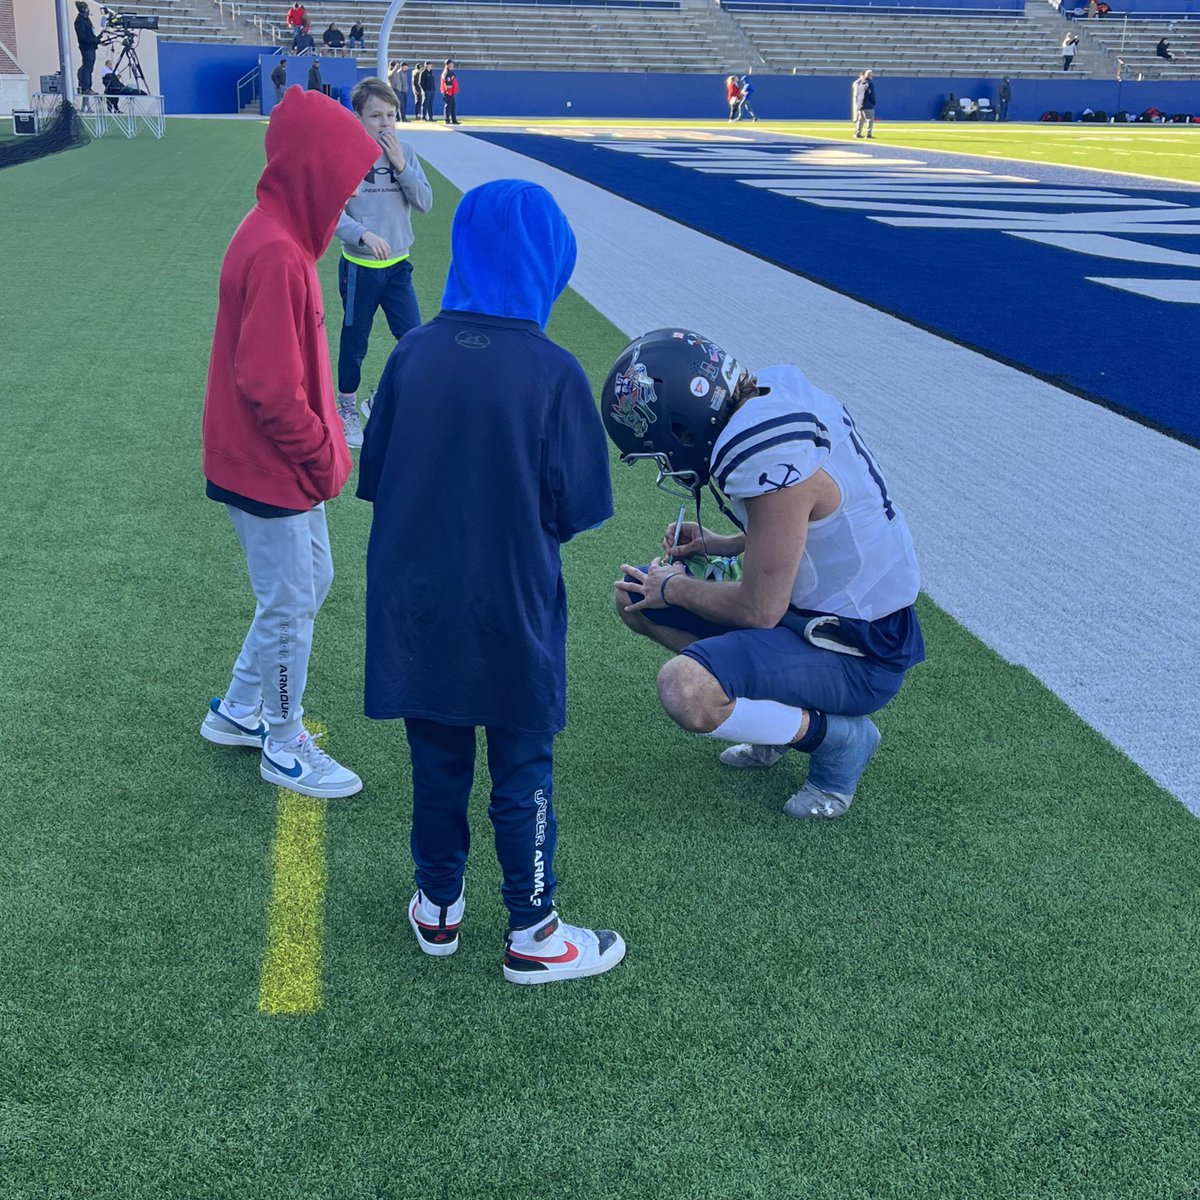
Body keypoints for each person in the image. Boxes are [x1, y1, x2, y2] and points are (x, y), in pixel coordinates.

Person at [357, 179, 625, 986]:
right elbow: (577, 507)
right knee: (521, 763)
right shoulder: (553, 371)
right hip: (511, 601)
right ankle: (533, 930)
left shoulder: (411, 353)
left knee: (435, 751)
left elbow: (376, 478)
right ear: (547, 258)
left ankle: (438, 904)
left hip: (418, 601)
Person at [604, 329, 924, 821]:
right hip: (812, 616)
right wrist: (723, 542)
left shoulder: (766, 449)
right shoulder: (768, 402)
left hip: (858, 650)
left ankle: (841, 740)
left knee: (685, 689)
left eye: (661, 448)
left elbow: (759, 609)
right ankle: (773, 723)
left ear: (681, 426)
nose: (667, 462)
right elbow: (812, 526)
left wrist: (674, 585)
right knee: (635, 597)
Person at [199, 88, 379, 800]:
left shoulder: (283, 237)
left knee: (309, 586)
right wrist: (323, 456)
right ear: (313, 172)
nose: (350, 196)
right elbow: (270, 387)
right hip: (266, 466)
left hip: (279, 465)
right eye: (342, 180)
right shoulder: (276, 250)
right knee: (288, 601)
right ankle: (281, 739)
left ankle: (242, 710)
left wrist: (323, 453)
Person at [333, 77, 433, 447]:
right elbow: (331, 212)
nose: (385, 123)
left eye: (391, 114)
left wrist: (401, 165)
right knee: (355, 341)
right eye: (376, 115)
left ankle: (380, 400)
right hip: (360, 269)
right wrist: (362, 234)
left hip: (398, 268)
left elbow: (425, 203)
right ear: (358, 117)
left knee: (414, 341)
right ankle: (345, 407)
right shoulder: (344, 154)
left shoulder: (405, 150)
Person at [73, 0, 99, 95]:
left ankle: (85, 85)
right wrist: (94, 40)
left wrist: (96, 39)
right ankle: (86, 87)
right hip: (86, 48)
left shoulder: (85, 20)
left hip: (90, 46)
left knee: (88, 67)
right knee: (88, 67)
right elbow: (83, 37)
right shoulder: (80, 21)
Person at [853, 69, 876, 138]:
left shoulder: (860, 82)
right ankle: (868, 134)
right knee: (869, 119)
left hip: (860, 103)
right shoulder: (869, 83)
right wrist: (873, 102)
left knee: (860, 119)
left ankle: (858, 133)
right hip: (867, 104)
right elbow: (871, 94)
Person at [440, 59, 460, 124]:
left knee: (453, 106)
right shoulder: (446, 73)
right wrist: (449, 92)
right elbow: (447, 84)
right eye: (451, 64)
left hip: (452, 92)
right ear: (447, 65)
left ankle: (454, 119)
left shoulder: (450, 72)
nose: (452, 65)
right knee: (448, 106)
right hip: (448, 93)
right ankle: (447, 119)